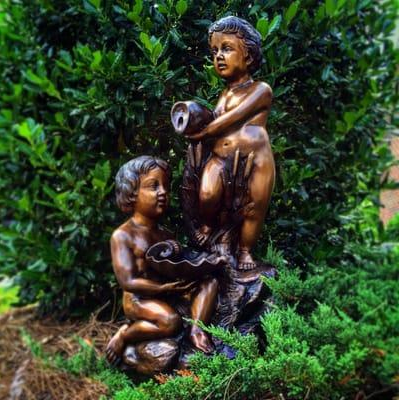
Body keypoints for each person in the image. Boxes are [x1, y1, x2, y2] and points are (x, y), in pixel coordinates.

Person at [106, 156, 218, 365]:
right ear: (131, 193)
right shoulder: (123, 236)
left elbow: (176, 266)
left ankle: (196, 329)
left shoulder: (166, 235)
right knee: (170, 321)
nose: (163, 192)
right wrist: (163, 288)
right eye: (153, 186)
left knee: (209, 282)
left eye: (166, 186)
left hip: (168, 292)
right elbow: (127, 282)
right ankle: (125, 334)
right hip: (140, 300)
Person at [189, 16, 275, 271]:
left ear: (248, 56)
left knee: (253, 208)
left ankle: (246, 250)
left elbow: (229, 120)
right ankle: (208, 226)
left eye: (226, 49)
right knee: (206, 193)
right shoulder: (224, 93)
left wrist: (204, 131)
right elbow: (215, 119)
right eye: (214, 51)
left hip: (256, 162)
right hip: (220, 159)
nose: (218, 56)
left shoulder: (261, 90)